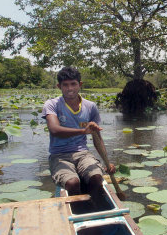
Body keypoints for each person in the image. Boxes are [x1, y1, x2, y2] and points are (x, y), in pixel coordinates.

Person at [42, 66, 115, 212]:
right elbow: (55, 130)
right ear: (59, 87)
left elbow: (96, 137)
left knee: (95, 177)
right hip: (60, 155)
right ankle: (79, 213)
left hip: (83, 153)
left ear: (80, 85)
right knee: (72, 182)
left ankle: (96, 208)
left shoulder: (90, 107)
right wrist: (83, 130)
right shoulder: (52, 105)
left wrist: (107, 161)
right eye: (65, 85)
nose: (70, 88)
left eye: (73, 84)